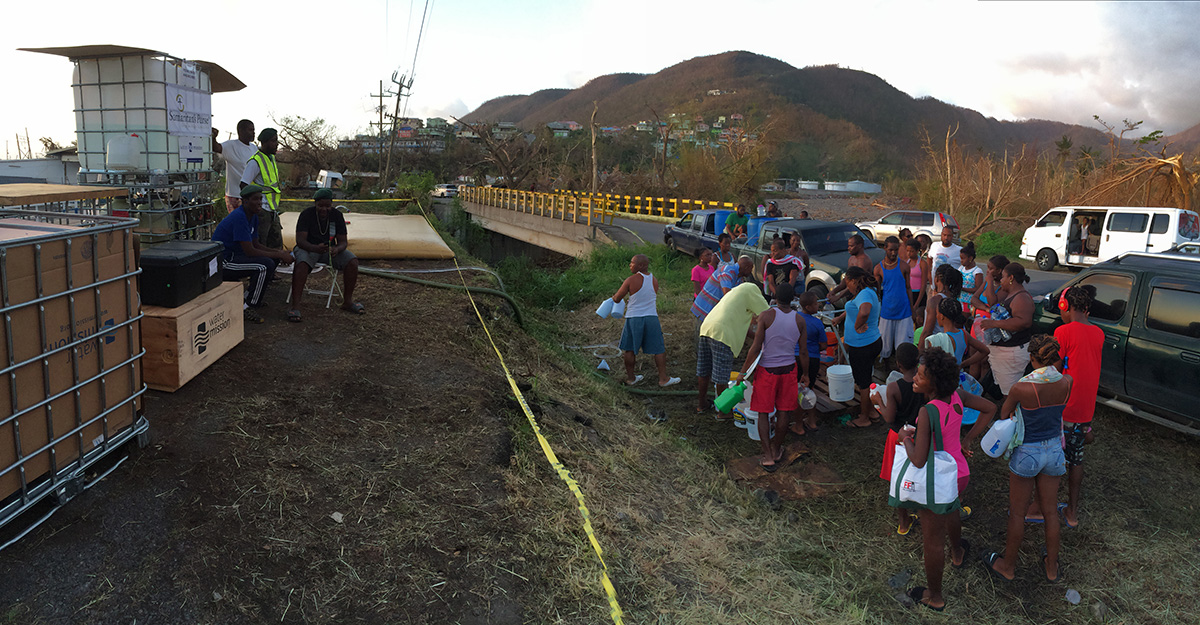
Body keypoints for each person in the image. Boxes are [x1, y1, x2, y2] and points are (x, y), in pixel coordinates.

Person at [898, 347, 997, 611]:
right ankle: (957, 551)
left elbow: (918, 459)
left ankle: (935, 597)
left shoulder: (927, 412)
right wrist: (967, 439)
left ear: (934, 383)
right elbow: (990, 408)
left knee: (932, 540)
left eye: (920, 376)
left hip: (937, 479)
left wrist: (905, 439)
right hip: (959, 472)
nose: (915, 378)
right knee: (952, 509)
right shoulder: (958, 395)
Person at [975, 335, 1072, 584]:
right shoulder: (1067, 382)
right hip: (1054, 451)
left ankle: (1008, 566)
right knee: (1050, 512)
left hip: (1027, 452)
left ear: (1031, 358)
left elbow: (1005, 413)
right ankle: (1052, 568)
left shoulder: (1022, 387)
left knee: (1018, 513)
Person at [739, 283, 808, 471]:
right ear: (793, 298)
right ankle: (777, 449)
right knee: (784, 411)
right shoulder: (799, 320)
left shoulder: (766, 316)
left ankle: (768, 455)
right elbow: (803, 352)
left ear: (775, 297)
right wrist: (806, 374)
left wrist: (743, 372)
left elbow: (755, 347)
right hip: (789, 370)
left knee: (763, 412)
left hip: (767, 371)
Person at [1051, 285, 1103, 528]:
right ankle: (1072, 513)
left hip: (1065, 406)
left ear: (1066, 306)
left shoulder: (1062, 331)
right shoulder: (1099, 333)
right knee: (1076, 459)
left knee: (1052, 459)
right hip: (1085, 408)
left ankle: (1040, 507)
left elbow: (1054, 369)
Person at [211, 184, 295, 323]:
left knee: (272, 261)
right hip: (225, 262)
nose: (259, 202)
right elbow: (250, 251)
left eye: (260, 199)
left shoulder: (253, 216)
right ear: (245, 201)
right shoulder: (239, 217)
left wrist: (279, 252)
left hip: (237, 257)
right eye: (255, 199)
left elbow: (256, 244)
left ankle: (249, 297)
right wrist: (280, 255)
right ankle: (248, 305)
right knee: (263, 266)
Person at [288, 189, 364, 322]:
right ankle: (295, 306)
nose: (324, 209)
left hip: (328, 250)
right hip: (308, 248)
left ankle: (347, 302)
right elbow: (300, 241)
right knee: (302, 264)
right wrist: (314, 248)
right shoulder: (306, 214)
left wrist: (337, 249)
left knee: (352, 261)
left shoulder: (337, 215)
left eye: (327, 206)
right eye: (320, 206)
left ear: (332, 204)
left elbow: (343, 242)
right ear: (315, 204)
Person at [874, 342, 925, 535]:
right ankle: (923, 511)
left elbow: (889, 418)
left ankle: (904, 523)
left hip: (898, 436)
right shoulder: (925, 384)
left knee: (898, 478)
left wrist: (878, 402)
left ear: (898, 364)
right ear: (917, 361)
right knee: (919, 474)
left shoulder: (894, 388)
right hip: (920, 434)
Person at [696, 281, 769, 414]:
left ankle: (702, 404)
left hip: (707, 328)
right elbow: (768, 315)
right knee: (721, 376)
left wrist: (757, 338)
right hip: (722, 333)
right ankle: (723, 412)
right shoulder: (752, 289)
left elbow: (743, 326)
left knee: (704, 370)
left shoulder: (736, 293)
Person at [611, 254, 681, 388]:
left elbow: (617, 298)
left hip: (634, 318)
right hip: (651, 317)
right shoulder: (654, 280)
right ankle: (663, 379)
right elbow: (646, 296)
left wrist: (613, 298)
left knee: (629, 349)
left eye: (632, 263)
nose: (630, 265)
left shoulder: (630, 280)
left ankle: (631, 378)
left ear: (641, 265)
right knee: (659, 349)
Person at [832, 266, 882, 428]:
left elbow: (864, 311)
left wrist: (857, 325)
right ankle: (872, 412)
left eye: (848, 283)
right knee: (865, 377)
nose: (848, 287)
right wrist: (840, 318)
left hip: (863, 346)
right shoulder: (866, 292)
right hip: (869, 342)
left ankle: (864, 418)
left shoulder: (865, 294)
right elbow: (855, 308)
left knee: (863, 383)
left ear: (854, 281)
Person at [980, 263, 1034, 399]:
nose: (1001, 280)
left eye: (1003, 277)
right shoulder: (1010, 294)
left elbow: (1024, 321)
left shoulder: (1021, 298)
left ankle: (1012, 412)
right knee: (1006, 392)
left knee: (1010, 395)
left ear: (1011, 278)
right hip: (1004, 354)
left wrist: (994, 323)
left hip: (1012, 354)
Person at [240, 128, 284, 250]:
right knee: (261, 243)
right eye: (273, 141)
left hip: (272, 209)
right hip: (262, 210)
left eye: (276, 140)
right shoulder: (255, 162)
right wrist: (253, 206)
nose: (276, 144)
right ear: (264, 142)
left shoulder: (271, 159)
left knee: (276, 243)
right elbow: (243, 185)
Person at [875, 236, 914, 359]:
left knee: (903, 344)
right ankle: (886, 365)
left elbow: (908, 288)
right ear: (885, 248)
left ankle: (900, 365)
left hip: (904, 310)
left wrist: (912, 309)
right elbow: (877, 292)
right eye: (890, 250)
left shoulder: (904, 266)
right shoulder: (878, 269)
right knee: (884, 344)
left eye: (896, 250)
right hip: (887, 311)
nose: (893, 253)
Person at [928, 298, 989, 369]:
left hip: (942, 376)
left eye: (937, 313)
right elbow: (985, 351)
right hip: (958, 374)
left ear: (941, 316)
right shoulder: (964, 334)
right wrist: (963, 364)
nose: (936, 316)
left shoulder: (935, 340)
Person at [796, 292, 827, 433]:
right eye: (815, 303)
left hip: (795, 358)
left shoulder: (795, 318)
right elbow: (824, 345)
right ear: (808, 307)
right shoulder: (817, 323)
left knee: (797, 390)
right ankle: (812, 421)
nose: (818, 305)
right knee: (809, 390)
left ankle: (798, 424)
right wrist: (814, 347)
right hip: (812, 359)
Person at [211, 120, 257, 211]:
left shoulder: (254, 148)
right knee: (238, 220)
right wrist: (213, 137)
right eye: (250, 130)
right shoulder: (231, 145)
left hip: (251, 195)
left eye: (254, 130)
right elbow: (216, 147)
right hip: (235, 196)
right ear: (241, 131)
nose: (253, 133)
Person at [692, 256, 755, 321]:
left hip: (713, 311)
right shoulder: (726, 271)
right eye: (751, 269)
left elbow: (739, 297)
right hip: (704, 309)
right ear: (746, 268)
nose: (751, 272)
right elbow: (728, 296)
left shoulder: (739, 279)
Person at [920, 264, 962, 350]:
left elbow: (927, 331)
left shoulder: (934, 301)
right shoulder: (955, 299)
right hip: (953, 344)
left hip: (937, 346)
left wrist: (920, 352)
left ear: (936, 279)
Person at [828, 234, 875, 302]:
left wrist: (838, 297)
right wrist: (834, 291)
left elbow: (856, 283)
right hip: (851, 293)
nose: (848, 248)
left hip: (861, 295)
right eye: (848, 246)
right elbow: (847, 279)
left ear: (860, 246)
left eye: (851, 246)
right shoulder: (851, 259)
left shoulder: (864, 261)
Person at [763, 239, 802, 303]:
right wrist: (778, 294)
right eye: (772, 251)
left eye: (775, 251)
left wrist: (785, 293)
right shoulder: (770, 264)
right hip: (776, 295)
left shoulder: (792, 261)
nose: (772, 254)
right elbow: (771, 282)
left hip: (790, 293)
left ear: (783, 250)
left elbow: (792, 279)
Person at [905, 239, 926, 325]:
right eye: (907, 251)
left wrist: (917, 303)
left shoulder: (922, 263)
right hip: (908, 293)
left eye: (912, 251)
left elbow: (923, 285)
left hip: (918, 294)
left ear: (917, 251)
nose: (909, 253)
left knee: (918, 320)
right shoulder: (907, 262)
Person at [958, 242, 984, 313]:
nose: (961, 261)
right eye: (960, 258)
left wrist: (962, 288)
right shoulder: (961, 268)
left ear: (970, 258)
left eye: (963, 258)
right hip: (959, 300)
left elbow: (977, 289)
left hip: (969, 302)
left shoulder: (977, 271)